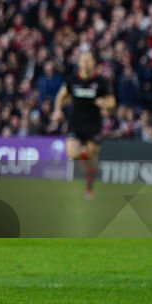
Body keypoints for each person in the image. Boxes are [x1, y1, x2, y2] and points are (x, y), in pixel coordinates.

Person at [53, 50, 115, 200]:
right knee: (72, 154)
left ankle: (89, 187)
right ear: (79, 63)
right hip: (76, 123)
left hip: (94, 124)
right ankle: (83, 156)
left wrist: (105, 103)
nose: (86, 62)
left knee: (93, 157)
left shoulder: (100, 81)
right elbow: (61, 95)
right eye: (83, 60)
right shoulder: (72, 79)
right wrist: (57, 110)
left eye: (89, 60)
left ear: (93, 63)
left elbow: (112, 102)